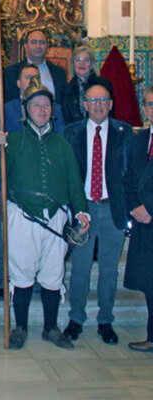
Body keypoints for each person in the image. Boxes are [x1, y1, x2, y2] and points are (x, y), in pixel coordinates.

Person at [0, 77, 89, 350]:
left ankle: (51, 328)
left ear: (51, 110)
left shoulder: (63, 144)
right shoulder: (12, 141)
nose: (41, 109)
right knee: (21, 275)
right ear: (26, 109)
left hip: (56, 217)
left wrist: (82, 213)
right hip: (22, 217)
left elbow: (74, 182)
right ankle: (19, 328)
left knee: (53, 275)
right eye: (36, 105)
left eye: (46, 105)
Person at [63, 77, 131, 345]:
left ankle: (105, 321)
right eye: (93, 100)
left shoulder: (125, 133)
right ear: (85, 105)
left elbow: (129, 175)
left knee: (108, 270)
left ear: (111, 104)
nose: (99, 105)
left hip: (112, 209)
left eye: (103, 100)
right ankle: (76, 318)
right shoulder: (71, 134)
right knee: (79, 269)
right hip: (84, 210)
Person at [124, 87, 153, 352]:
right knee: (149, 283)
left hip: (151, 215)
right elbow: (129, 177)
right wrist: (135, 207)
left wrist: (150, 208)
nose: (152, 109)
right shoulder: (139, 139)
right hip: (143, 222)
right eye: (149, 104)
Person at [3, 28, 68, 102]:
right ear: (26, 46)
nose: (38, 46)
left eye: (42, 42)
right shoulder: (11, 72)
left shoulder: (59, 73)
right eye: (34, 42)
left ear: (47, 46)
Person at [61, 45, 98, 124]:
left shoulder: (102, 85)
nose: (82, 63)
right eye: (78, 60)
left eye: (86, 60)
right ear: (73, 64)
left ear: (91, 64)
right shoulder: (67, 89)